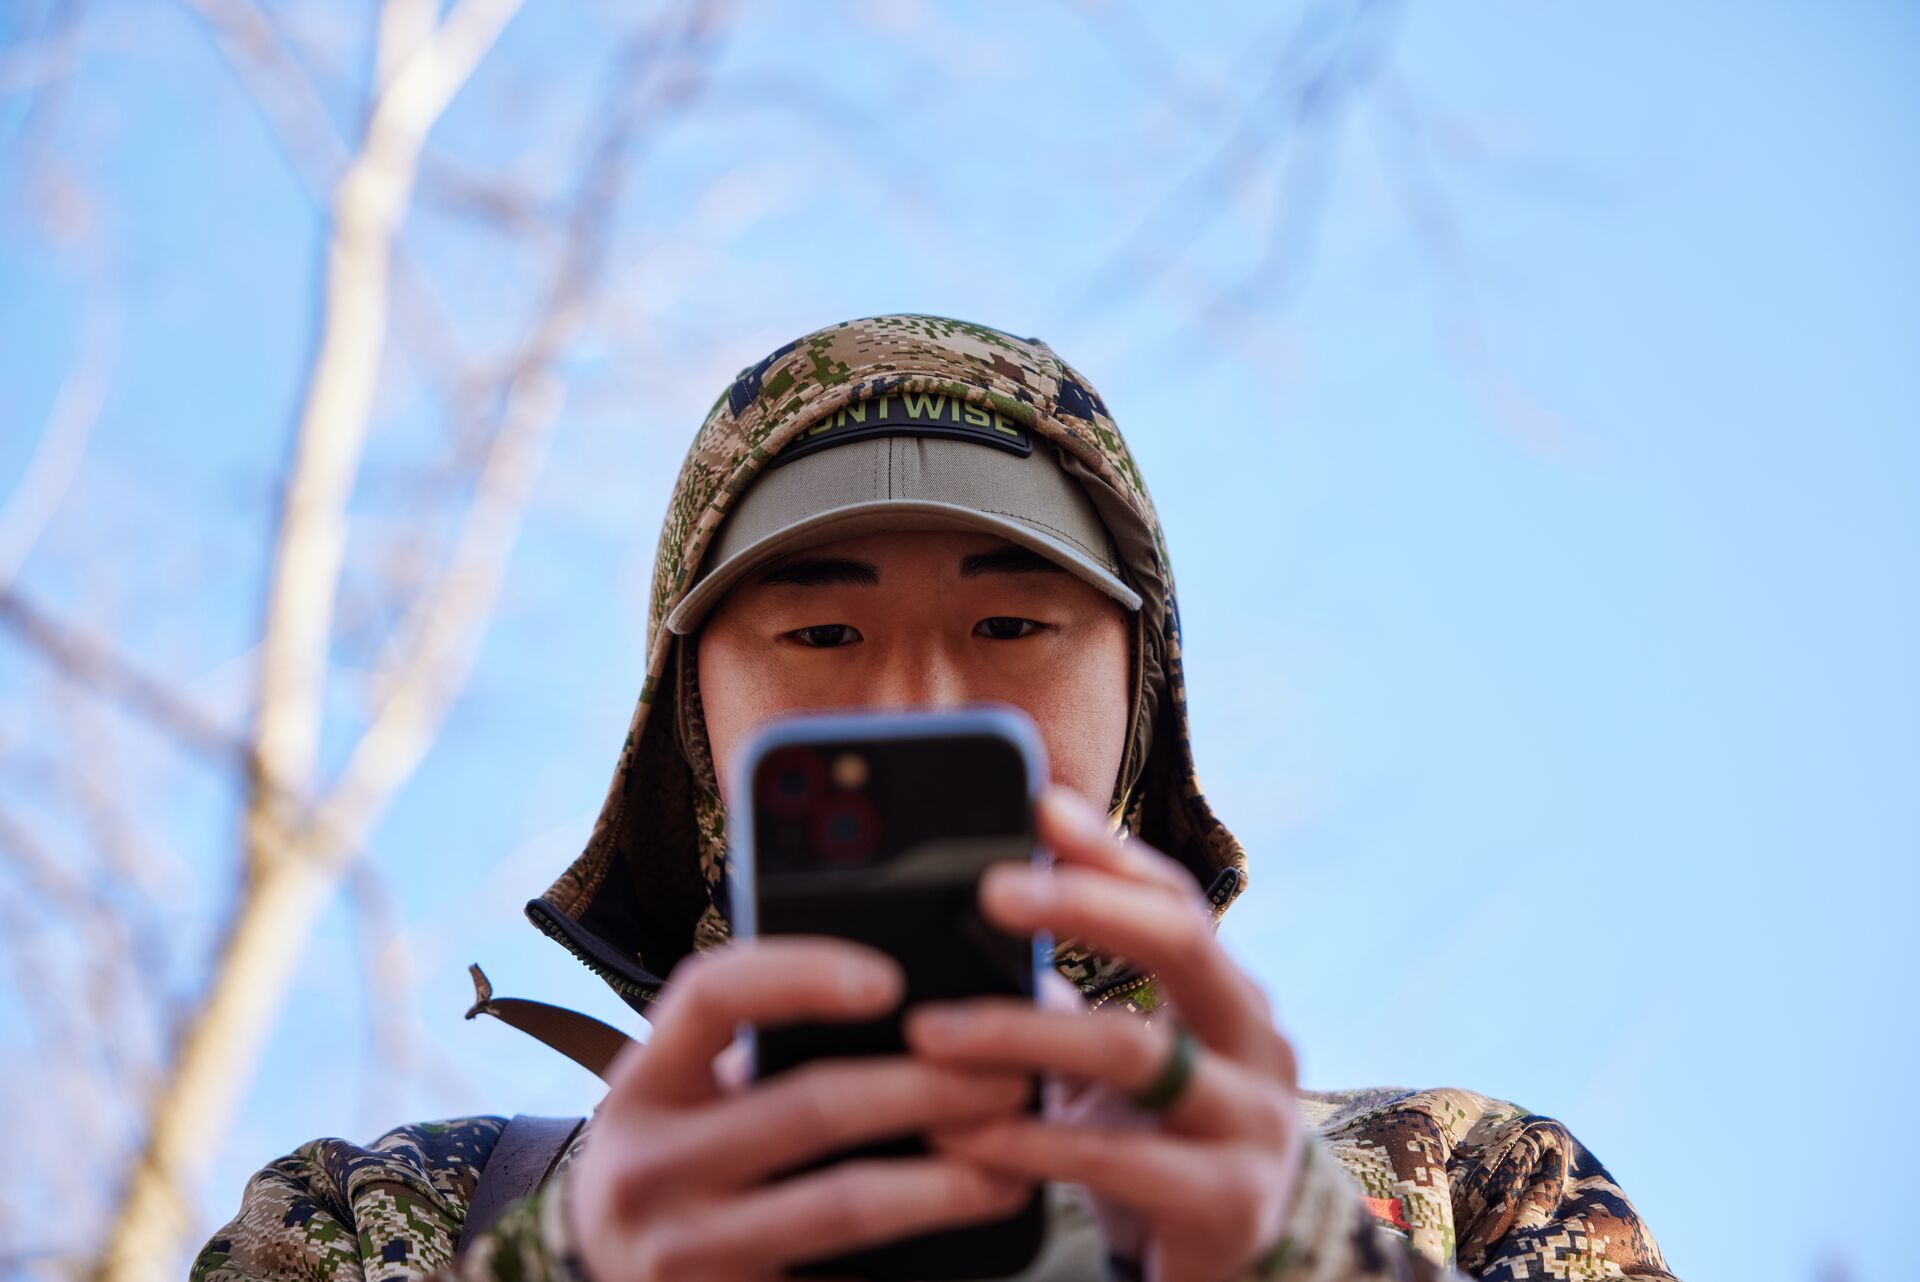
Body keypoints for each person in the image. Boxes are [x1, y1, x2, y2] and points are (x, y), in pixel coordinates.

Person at [194, 315, 1676, 1282]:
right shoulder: (390, 1217)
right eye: (822, 633)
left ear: (1140, 701)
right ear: (688, 718)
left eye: (1013, 628)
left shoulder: (1463, 1183)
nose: (915, 699)